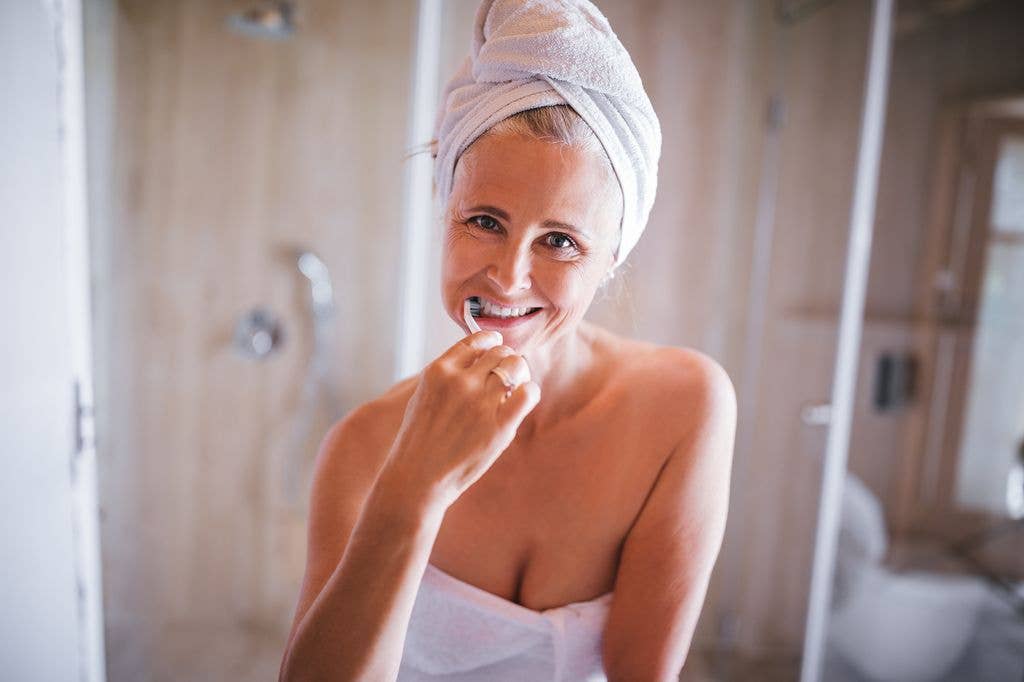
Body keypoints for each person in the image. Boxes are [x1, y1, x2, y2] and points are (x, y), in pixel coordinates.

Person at [279, 1, 736, 680]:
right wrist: (413, 490)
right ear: (446, 213)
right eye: (484, 221)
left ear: (611, 257)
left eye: (560, 240)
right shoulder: (363, 449)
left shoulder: (684, 408)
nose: (509, 275)